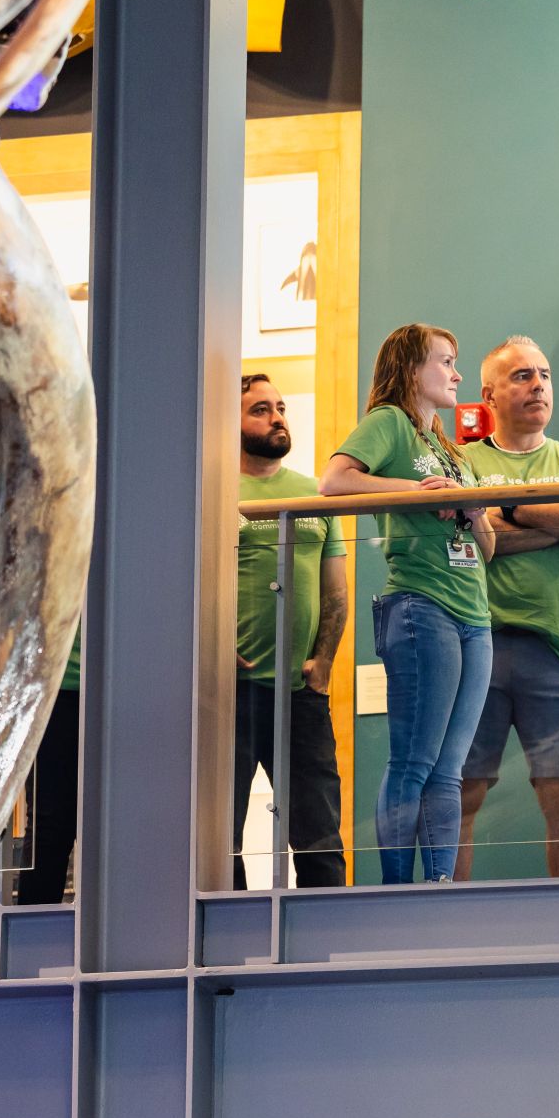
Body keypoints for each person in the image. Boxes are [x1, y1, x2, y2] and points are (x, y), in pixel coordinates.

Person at [323, 324, 494, 885]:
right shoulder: (390, 422)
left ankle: (439, 885)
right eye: (446, 361)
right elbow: (334, 481)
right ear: (413, 369)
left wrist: (469, 509)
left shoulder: (449, 448)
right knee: (413, 762)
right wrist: (413, 493)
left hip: (474, 613)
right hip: (422, 605)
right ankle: (395, 891)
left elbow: (488, 545)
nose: (456, 373)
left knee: (449, 769)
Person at [454, 336, 559, 880]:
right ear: (489, 394)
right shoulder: (461, 461)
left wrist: (512, 510)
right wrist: (556, 524)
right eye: (522, 375)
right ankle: (444, 930)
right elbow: (472, 541)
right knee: (461, 800)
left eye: (544, 374)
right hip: (477, 647)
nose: (539, 384)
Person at [234, 373, 348, 886]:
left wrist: (323, 661)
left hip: (301, 692)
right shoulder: (211, 489)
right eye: (260, 409)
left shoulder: (313, 493)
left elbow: (337, 591)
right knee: (216, 842)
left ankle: (327, 953)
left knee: (320, 837)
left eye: (280, 407)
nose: (277, 416)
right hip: (227, 694)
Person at [12, 634, 80, 904]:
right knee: (50, 826)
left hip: (117, 676)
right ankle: (32, 936)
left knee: (118, 825)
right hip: (52, 683)